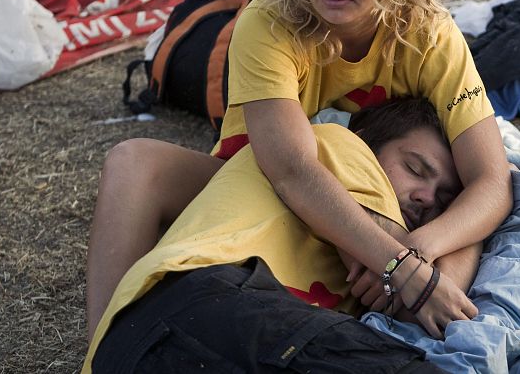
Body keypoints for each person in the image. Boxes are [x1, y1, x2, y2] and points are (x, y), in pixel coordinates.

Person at [86, 0, 513, 341]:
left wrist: (416, 253)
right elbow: (290, 170)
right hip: (254, 189)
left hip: (380, 221)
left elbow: (492, 183)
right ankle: (106, 344)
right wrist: (396, 263)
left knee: (473, 219)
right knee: (133, 162)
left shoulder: (430, 33)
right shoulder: (270, 19)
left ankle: (416, 329)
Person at [85, 98, 476, 373]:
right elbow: (425, 301)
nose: (427, 198)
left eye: (445, 198)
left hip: (160, 348)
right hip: (216, 303)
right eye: (414, 168)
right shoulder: (342, 147)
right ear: (369, 138)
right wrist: (475, 222)